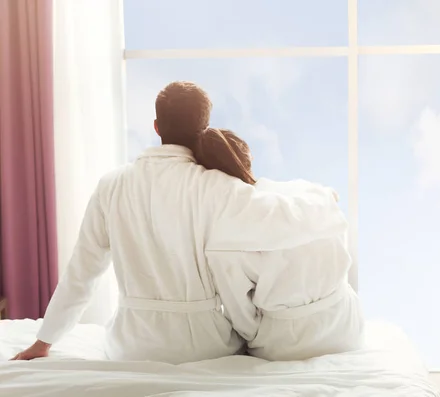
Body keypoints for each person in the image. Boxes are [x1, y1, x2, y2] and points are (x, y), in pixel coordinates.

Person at [11, 82, 347, 364]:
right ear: (203, 127)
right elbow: (282, 218)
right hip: (205, 346)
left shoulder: (111, 185)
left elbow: (81, 273)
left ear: (156, 126)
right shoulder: (217, 186)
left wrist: (44, 341)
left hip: (131, 346)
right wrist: (324, 199)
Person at [197, 128, 365, 361]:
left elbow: (242, 318)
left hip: (285, 344)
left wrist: (257, 336)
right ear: (248, 158)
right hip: (346, 325)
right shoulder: (308, 191)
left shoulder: (223, 238)